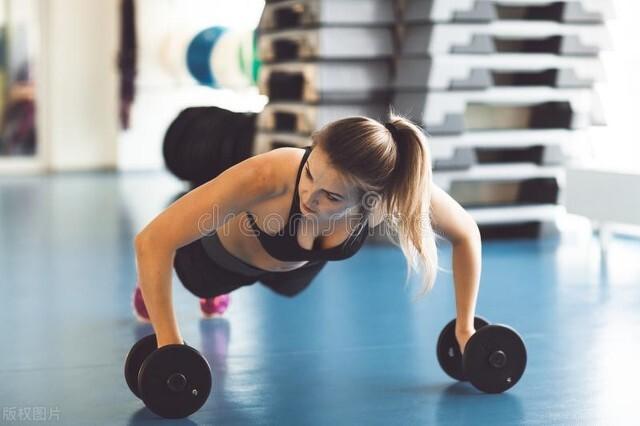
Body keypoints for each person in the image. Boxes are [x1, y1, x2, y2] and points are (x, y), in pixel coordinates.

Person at [133, 114, 482, 353]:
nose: (309, 198)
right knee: (199, 280)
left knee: (289, 285)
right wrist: (169, 342)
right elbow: (151, 240)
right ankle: (158, 288)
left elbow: (466, 233)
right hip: (220, 260)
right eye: (311, 174)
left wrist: (465, 327)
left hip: (295, 273)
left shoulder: (389, 195)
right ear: (313, 148)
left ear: (373, 197)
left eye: (332, 197)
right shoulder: (269, 175)